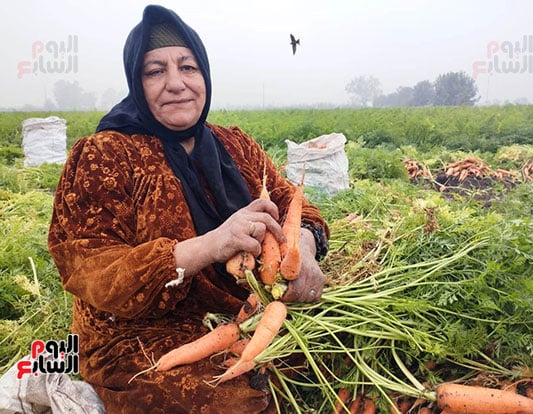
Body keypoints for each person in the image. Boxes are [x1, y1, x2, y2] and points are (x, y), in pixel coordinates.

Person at [47, 4, 329, 413]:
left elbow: (295, 206)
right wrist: (212, 244)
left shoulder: (235, 145)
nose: (176, 84)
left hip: (244, 313)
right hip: (136, 335)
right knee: (236, 401)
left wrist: (302, 244)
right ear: (135, 82)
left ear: (205, 76)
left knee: (323, 359)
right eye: (155, 71)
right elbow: (90, 270)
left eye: (188, 68)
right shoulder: (104, 155)